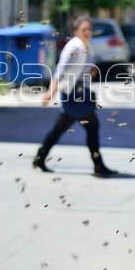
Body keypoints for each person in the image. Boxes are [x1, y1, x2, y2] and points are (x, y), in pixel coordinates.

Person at [33, 15, 117, 177]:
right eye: (83, 29)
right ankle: (98, 166)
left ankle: (40, 157)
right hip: (73, 94)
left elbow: (85, 69)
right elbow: (60, 70)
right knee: (92, 126)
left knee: (61, 127)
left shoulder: (87, 46)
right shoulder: (73, 47)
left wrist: (91, 72)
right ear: (76, 31)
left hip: (79, 93)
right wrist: (51, 92)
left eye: (89, 29)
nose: (87, 32)